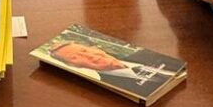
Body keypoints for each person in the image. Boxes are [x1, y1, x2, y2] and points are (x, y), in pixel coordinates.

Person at [47, 40, 178, 86]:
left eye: (84, 50)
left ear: (95, 48)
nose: (89, 56)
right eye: (75, 58)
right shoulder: (109, 89)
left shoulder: (147, 54)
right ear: (72, 65)